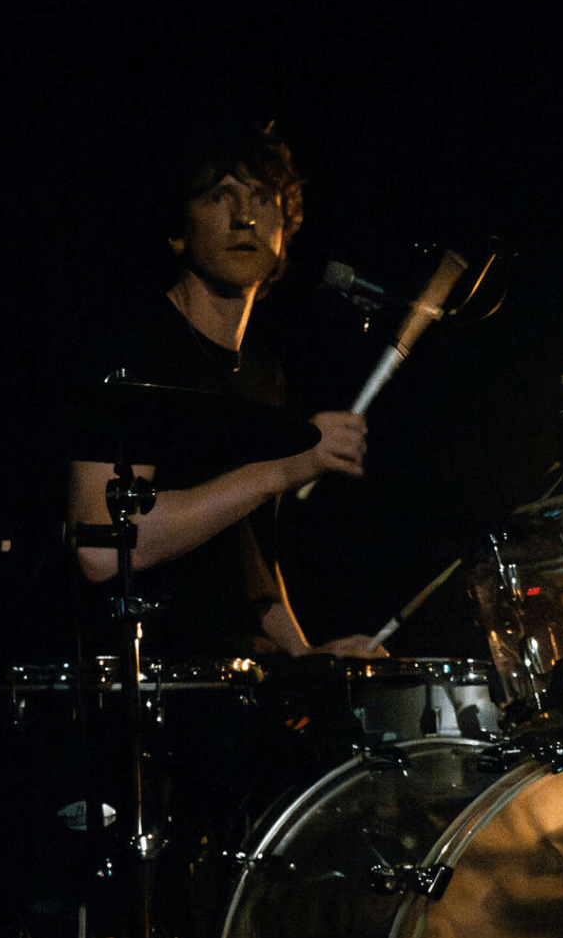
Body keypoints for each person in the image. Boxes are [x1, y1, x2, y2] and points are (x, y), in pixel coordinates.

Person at [66, 118, 386, 662]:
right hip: (147, 673)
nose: (245, 217)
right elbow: (100, 549)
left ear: (284, 230)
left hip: (240, 669)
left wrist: (305, 656)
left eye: (263, 198)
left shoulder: (262, 372)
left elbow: (249, 554)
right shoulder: (134, 346)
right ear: (178, 231)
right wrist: (282, 470)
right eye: (219, 196)